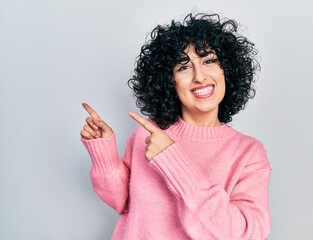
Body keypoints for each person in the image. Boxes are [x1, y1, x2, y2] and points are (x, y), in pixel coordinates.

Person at [80, 12, 271, 240]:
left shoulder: (248, 153)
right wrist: (104, 154)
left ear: (227, 70)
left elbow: (246, 234)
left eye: (209, 61)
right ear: (169, 80)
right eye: (184, 67)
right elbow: (123, 202)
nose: (199, 77)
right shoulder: (149, 133)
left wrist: (172, 160)